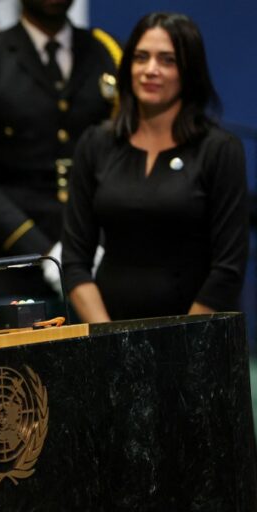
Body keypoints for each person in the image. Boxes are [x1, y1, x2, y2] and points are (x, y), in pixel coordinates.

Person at [61, 12, 249, 323]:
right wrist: (110, 338)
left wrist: (184, 341)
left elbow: (228, 268)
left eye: (167, 60)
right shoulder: (95, 144)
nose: (151, 70)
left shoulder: (219, 149)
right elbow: (74, 261)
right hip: (110, 332)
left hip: (197, 337)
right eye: (141, 57)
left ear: (189, 71)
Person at [0, 0, 121, 316]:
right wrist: (41, 251)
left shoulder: (106, 53)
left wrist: (99, 241)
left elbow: (122, 157)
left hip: (98, 262)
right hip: (11, 269)